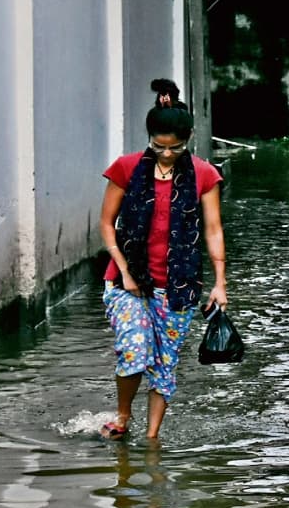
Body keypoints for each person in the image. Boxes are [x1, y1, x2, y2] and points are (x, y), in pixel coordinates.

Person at [97, 79, 227, 440]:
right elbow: (107, 224)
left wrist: (220, 283)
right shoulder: (126, 168)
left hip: (178, 287)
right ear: (149, 138)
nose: (167, 154)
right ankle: (123, 418)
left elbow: (213, 230)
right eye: (159, 147)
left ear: (188, 140)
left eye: (176, 147)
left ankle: (152, 438)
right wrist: (124, 271)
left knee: (165, 364)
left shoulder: (203, 174)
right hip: (128, 283)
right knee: (135, 350)